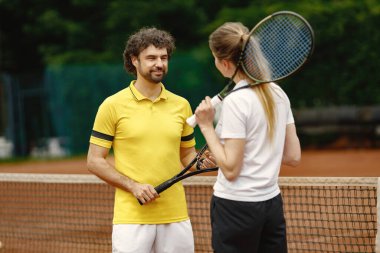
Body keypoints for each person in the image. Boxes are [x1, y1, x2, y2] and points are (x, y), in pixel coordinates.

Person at [87, 27, 209, 253]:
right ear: (134, 60)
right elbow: (94, 160)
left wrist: (208, 162)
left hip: (176, 216)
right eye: (151, 58)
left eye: (163, 58)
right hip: (131, 218)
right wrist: (133, 187)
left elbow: (187, 155)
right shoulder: (112, 106)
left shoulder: (181, 105)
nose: (159, 64)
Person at [194, 22, 301, 253]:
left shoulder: (236, 102)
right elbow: (293, 156)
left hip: (235, 208)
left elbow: (231, 169)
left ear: (224, 63)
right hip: (271, 206)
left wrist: (206, 126)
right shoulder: (278, 93)